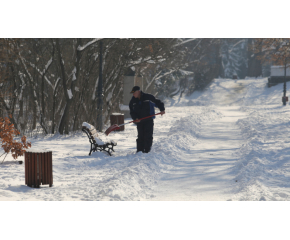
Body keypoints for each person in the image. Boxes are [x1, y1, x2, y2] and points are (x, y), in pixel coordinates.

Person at [129, 86, 165, 153]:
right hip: (139, 121)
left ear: (139, 92)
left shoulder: (148, 97)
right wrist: (135, 118)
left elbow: (158, 102)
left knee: (148, 136)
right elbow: (132, 112)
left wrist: (162, 109)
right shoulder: (132, 101)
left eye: (134, 93)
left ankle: (147, 151)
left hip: (148, 120)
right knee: (140, 136)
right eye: (133, 93)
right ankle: (140, 151)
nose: (133, 95)